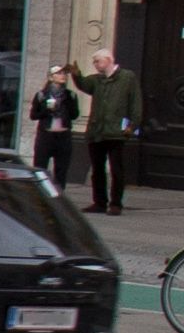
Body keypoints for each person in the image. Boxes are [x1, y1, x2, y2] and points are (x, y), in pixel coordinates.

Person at [79, 47, 138, 214]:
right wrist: (76, 74)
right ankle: (99, 202)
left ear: (108, 60)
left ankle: (116, 203)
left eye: (98, 61)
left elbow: (135, 102)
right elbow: (84, 84)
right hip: (97, 131)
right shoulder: (96, 80)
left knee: (116, 169)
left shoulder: (127, 78)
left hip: (116, 132)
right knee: (97, 169)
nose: (95, 64)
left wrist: (132, 125)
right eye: (94, 62)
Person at [27, 64, 82, 188]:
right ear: (51, 77)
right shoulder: (42, 95)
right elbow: (33, 115)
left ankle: (59, 195)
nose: (62, 76)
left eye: (64, 74)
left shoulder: (70, 95)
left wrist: (68, 103)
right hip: (46, 135)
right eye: (59, 73)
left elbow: (74, 115)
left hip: (63, 136)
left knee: (61, 171)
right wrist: (46, 110)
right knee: (40, 168)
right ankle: (40, 193)